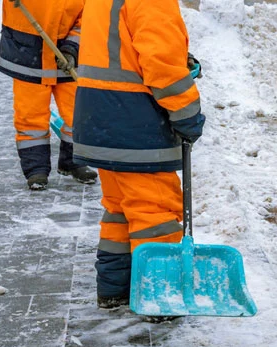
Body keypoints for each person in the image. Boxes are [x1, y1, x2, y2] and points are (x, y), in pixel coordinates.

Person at [72, 0, 205, 309]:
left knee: (120, 210)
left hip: (101, 118)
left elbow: (122, 48)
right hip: (134, 120)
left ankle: (114, 290)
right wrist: (187, 114)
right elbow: (162, 65)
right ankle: (162, 298)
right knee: (155, 212)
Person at [0, 0, 96, 190]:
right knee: (30, 117)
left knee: (78, 113)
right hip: (26, 53)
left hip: (67, 57)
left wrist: (72, 47)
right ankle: (36, 169)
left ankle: (74, 161)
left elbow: (90, 18)